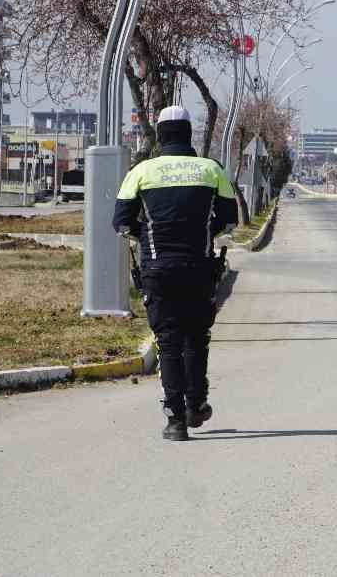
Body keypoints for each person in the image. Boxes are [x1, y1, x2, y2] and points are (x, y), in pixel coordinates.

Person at [113, 106, 238, 441]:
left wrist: (149, 233)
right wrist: (204, 231)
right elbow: (229, 220)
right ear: (187, 132)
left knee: (167, 342)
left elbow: (122, 222)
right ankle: (197, 405)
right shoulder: (211, 169)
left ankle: (175, 420)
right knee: (196, 338)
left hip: (157, 268)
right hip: (199, 268)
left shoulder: (141, 171)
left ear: (160, 133)